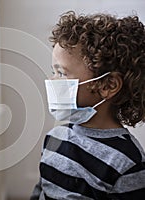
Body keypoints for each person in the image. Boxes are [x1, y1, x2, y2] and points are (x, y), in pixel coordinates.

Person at [31, 11, 145, 199]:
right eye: (54, 71)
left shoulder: (127, 162)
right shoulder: (55, 137)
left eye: (62, 73)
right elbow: (41, 189)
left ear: (108, 85)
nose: (52, 80)